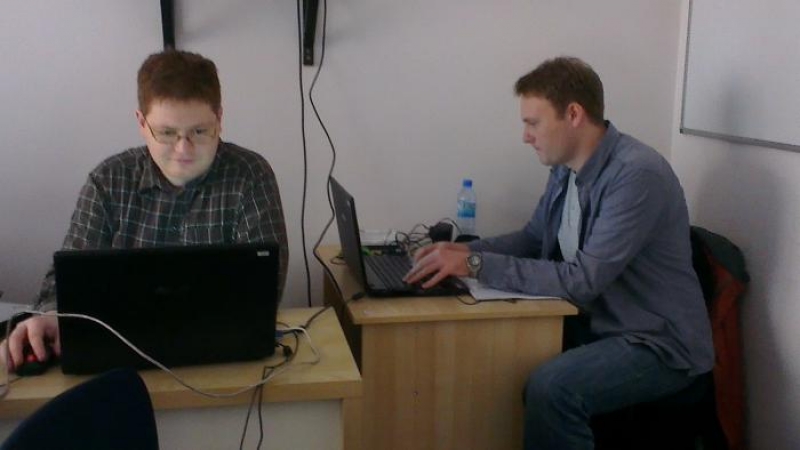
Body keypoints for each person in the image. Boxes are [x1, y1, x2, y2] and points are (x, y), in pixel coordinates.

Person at [404, 56, 713, 449]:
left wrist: (475, 264)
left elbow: (582, 281)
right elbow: (533, 239)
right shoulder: (566, 169)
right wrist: (461, 250)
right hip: (599, 322)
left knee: (553, 390)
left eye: (533, 123)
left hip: (657, 343)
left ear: (573, 114)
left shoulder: (636, 175)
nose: (525, 136)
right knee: (493, 360)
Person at [1, 50, 289, 372]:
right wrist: (53, 316)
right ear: (141, 123)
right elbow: (65, 281)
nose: (183, 149)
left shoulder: (250, 175)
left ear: (219, 119)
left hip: (223, 361)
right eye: (166, 133)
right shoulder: (108, 181)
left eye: (199, 131)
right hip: (119, 362)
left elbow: (266, 289)